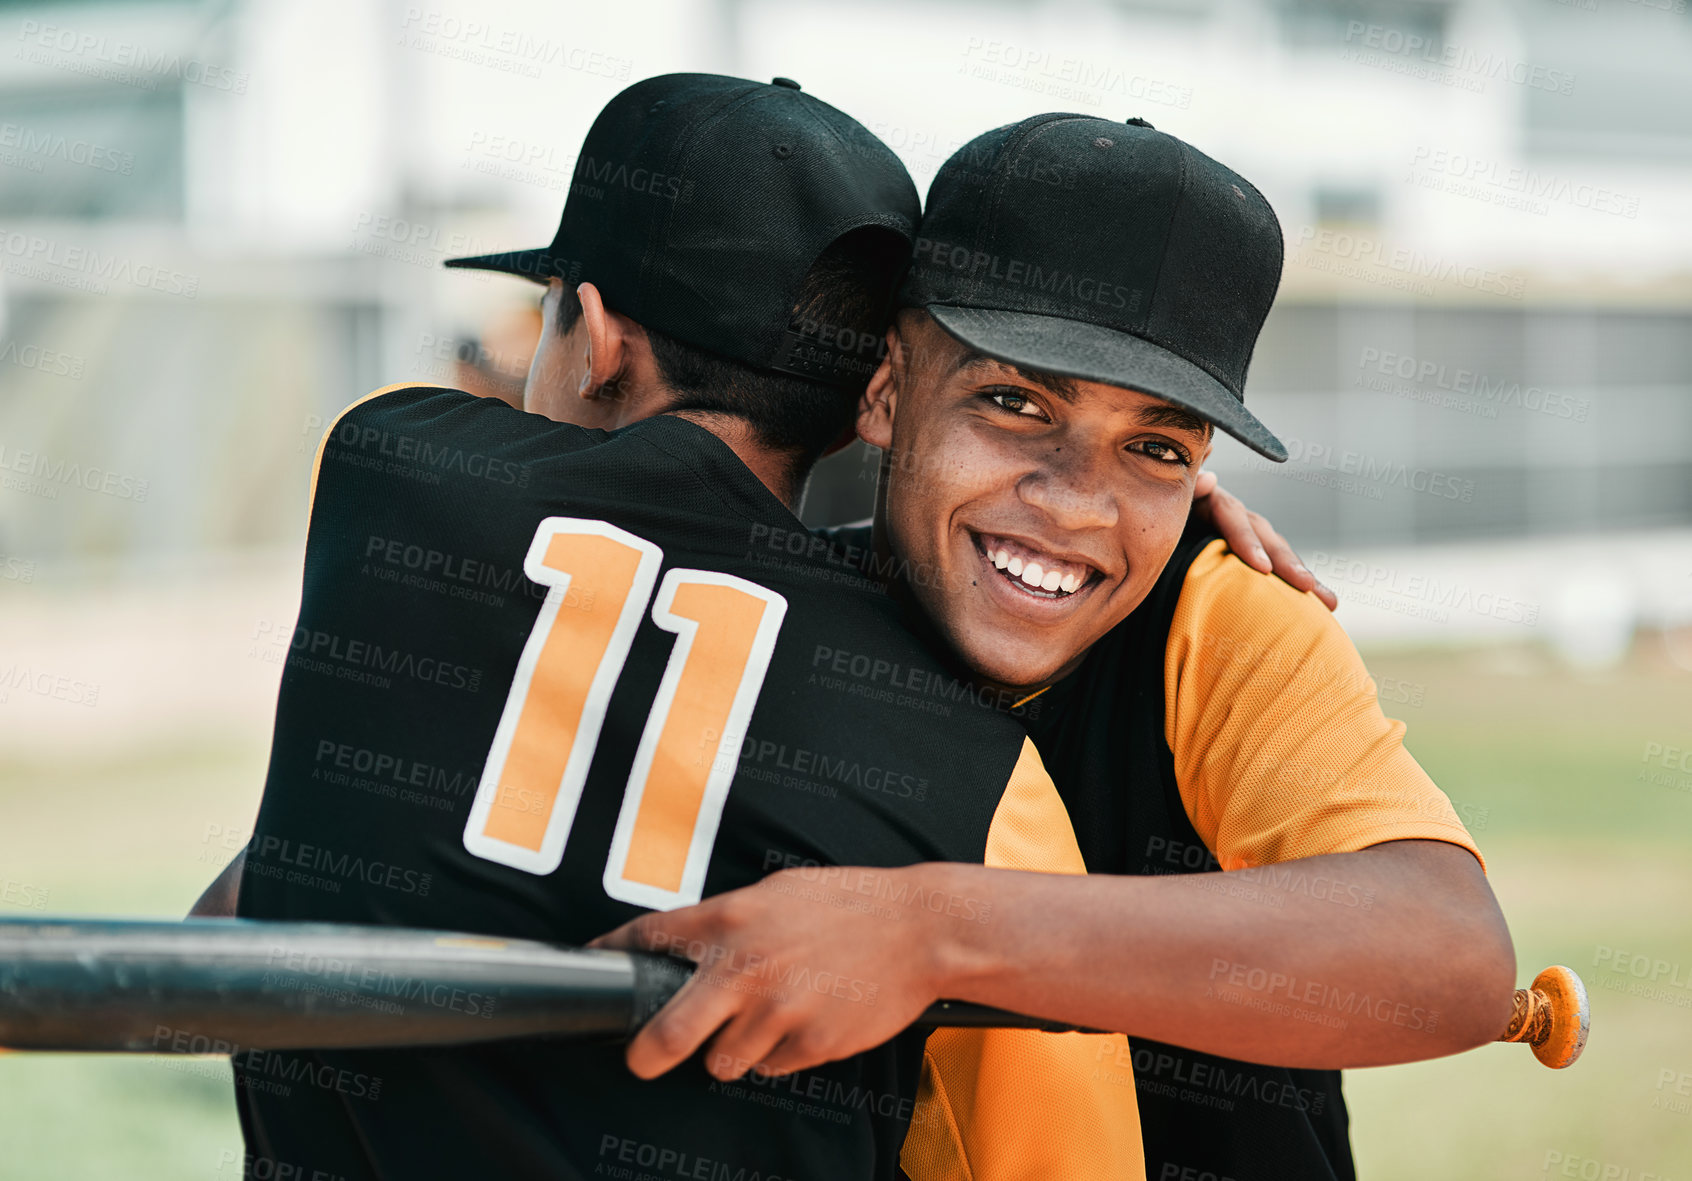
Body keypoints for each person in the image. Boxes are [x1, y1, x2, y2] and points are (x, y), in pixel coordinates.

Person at [209, 73, 1171, 1181]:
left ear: (600, 338)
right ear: (874, 391)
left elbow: (227, 917)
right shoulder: (977, 765)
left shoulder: (390, 465)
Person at [591, 114, 1517, 1181]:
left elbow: (1450, 954)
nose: (1078, 501)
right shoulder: (754, 621)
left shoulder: (1217, 616)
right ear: (886, 389)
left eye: (1156, 446)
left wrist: (930, 930)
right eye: (1013, 401)